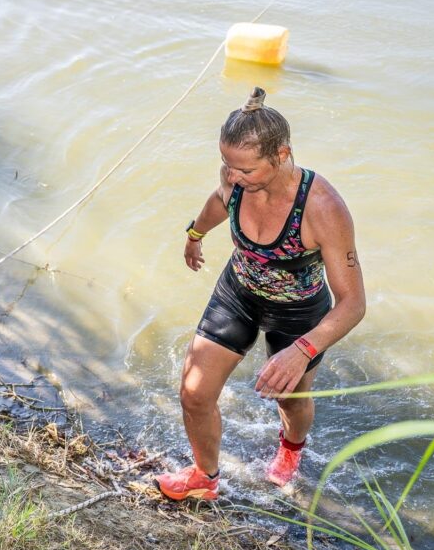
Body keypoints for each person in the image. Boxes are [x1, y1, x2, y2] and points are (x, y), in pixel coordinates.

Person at [155, 87, 366, 500]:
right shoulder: (234, 177)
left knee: (291, 401)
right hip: (239, 293)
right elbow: (220, 200)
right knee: (194, 393)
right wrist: (195, 234)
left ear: (282, 155)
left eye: (246, 170)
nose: (233, 176)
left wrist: (302, 350)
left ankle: (291, 449)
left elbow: (354, 304)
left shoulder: (322, 207)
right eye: (227, 165)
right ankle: (204, 478)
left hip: (299, 313)